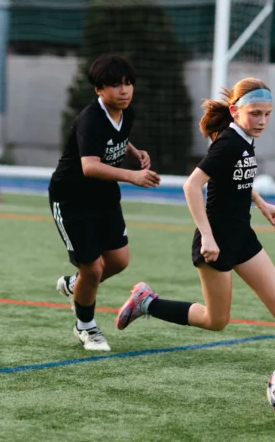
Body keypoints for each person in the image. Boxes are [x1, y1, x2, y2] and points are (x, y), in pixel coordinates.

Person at [115, 78, 275, 396]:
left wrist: (260, 202)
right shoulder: (228, 142)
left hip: (243, 237)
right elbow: (191, 186)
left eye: (268, 114)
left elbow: (236, 178)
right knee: (216, 320)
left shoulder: (244, 139)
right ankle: (146, 302)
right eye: (256, 113)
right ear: (235, 111)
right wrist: (207, 236)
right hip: (216, 243)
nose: (262, 121)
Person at [48, 54, 161, 351]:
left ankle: (75, 285)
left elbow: (117, 136)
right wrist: (132, 175)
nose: (124, 91)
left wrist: (134, 151)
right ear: (98, 89)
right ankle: (85, 326)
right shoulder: (90, 118)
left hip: (105, 196)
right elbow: (89, 166)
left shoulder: (127, 112)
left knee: (119, 261)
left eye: (128, 84)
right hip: (72, 198)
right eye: (114, 85)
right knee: (94, 269)